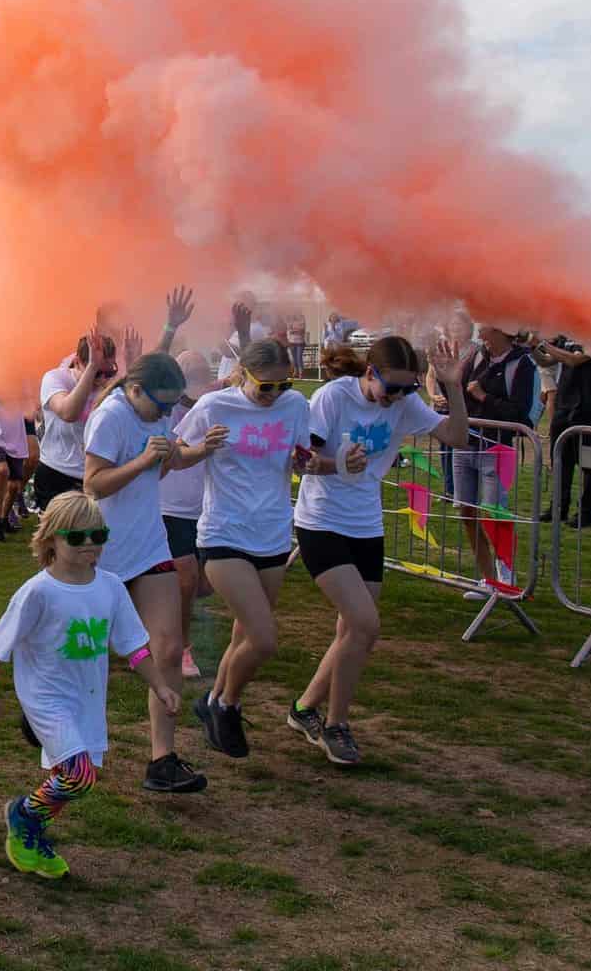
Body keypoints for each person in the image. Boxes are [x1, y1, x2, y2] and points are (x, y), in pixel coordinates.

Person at [0, 490, 176, 880]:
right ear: (51, 538)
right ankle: (24, 817)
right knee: (79, 775)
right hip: (46, 697)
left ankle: (30, 829)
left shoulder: (112, 587)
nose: (90, 546)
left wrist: (160, 686)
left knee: (77, 777)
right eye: (78, 537)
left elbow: (133, 647)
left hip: (87, 698)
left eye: (98, 537)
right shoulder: (38, 592)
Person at [289, 336, 467, 766]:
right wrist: (338, 465)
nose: (399, 399)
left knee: (353, 633)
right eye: (392, 389)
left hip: (366, 526)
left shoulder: (404, 404)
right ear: (370, 373)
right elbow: (301, 460)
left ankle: (303, 710)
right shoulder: (334, 397)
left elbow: (457, 435)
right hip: (321, 522)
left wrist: (454, 387)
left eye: (409, 390)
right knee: (365, 626)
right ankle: (336, 726)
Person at [82, 351, 225, 793]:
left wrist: (201, 449)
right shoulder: (111, 417)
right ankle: (57, 729)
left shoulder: (158, 412)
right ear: (135, 389)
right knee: (84, 654)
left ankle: (162, 760)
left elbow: (171, 457)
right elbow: (93, 483)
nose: (168, 414)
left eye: (173, 406)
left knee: (167, 649)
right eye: (161, 406)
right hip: (100, 553)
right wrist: (143, 462)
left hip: (149, 547)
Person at [173, 339, 310, 758]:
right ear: (240, 376)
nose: (274, 395)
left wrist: (307, 463)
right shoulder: (215, 407)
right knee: (264, 639)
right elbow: (175, 456)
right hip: (223, 534)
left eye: (283, 385)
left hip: (271, 534)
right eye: (264, 387)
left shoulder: (295, 407)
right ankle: (228, 705)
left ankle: (213, 700)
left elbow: (303, 455)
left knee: (245, 632)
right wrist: (202, 449)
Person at [458, 323, 537, 594]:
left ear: (505, 332)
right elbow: (458, 390)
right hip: (465, 444)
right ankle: (488, 577)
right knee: (466, 511)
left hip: (497, 447)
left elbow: (519, 413)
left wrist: (483, 397)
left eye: (487, 331)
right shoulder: (477, 357)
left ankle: (506, 576)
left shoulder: (523, 365)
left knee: (495, 513)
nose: (481, 336)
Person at [160, 350, 219, 680]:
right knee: (186, 576)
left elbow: (243, 376)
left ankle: (154, 617)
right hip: (169, 507)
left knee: (205, 585)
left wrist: (241, 334)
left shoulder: (212, 404)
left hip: (205, 508)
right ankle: (182, 648)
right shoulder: (162, 409)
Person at [37, 328, 116, 509]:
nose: (103, 379)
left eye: (109, 373)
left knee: (93, 536)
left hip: (92, 477)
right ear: (78, 362)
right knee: (59, 537)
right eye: (98, 373)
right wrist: (91, 369)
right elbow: (68, 413)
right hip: (57, 474)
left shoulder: (108, 385)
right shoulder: (56, 377)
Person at [538, 335, 591, 530]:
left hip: (587, 409)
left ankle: (587, 513)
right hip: (563, 406)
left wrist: (543, 344)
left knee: (590, 466)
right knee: (560, 461)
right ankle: (558, 508)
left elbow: (574, 360)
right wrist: (532, 345)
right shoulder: (566, 335)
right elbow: (545, 359)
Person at [0, 393, 31, 542]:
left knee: (14, 487)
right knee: (2, 470)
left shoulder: (20, 384)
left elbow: (29, 408)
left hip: (16, 438)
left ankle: (4, 518)